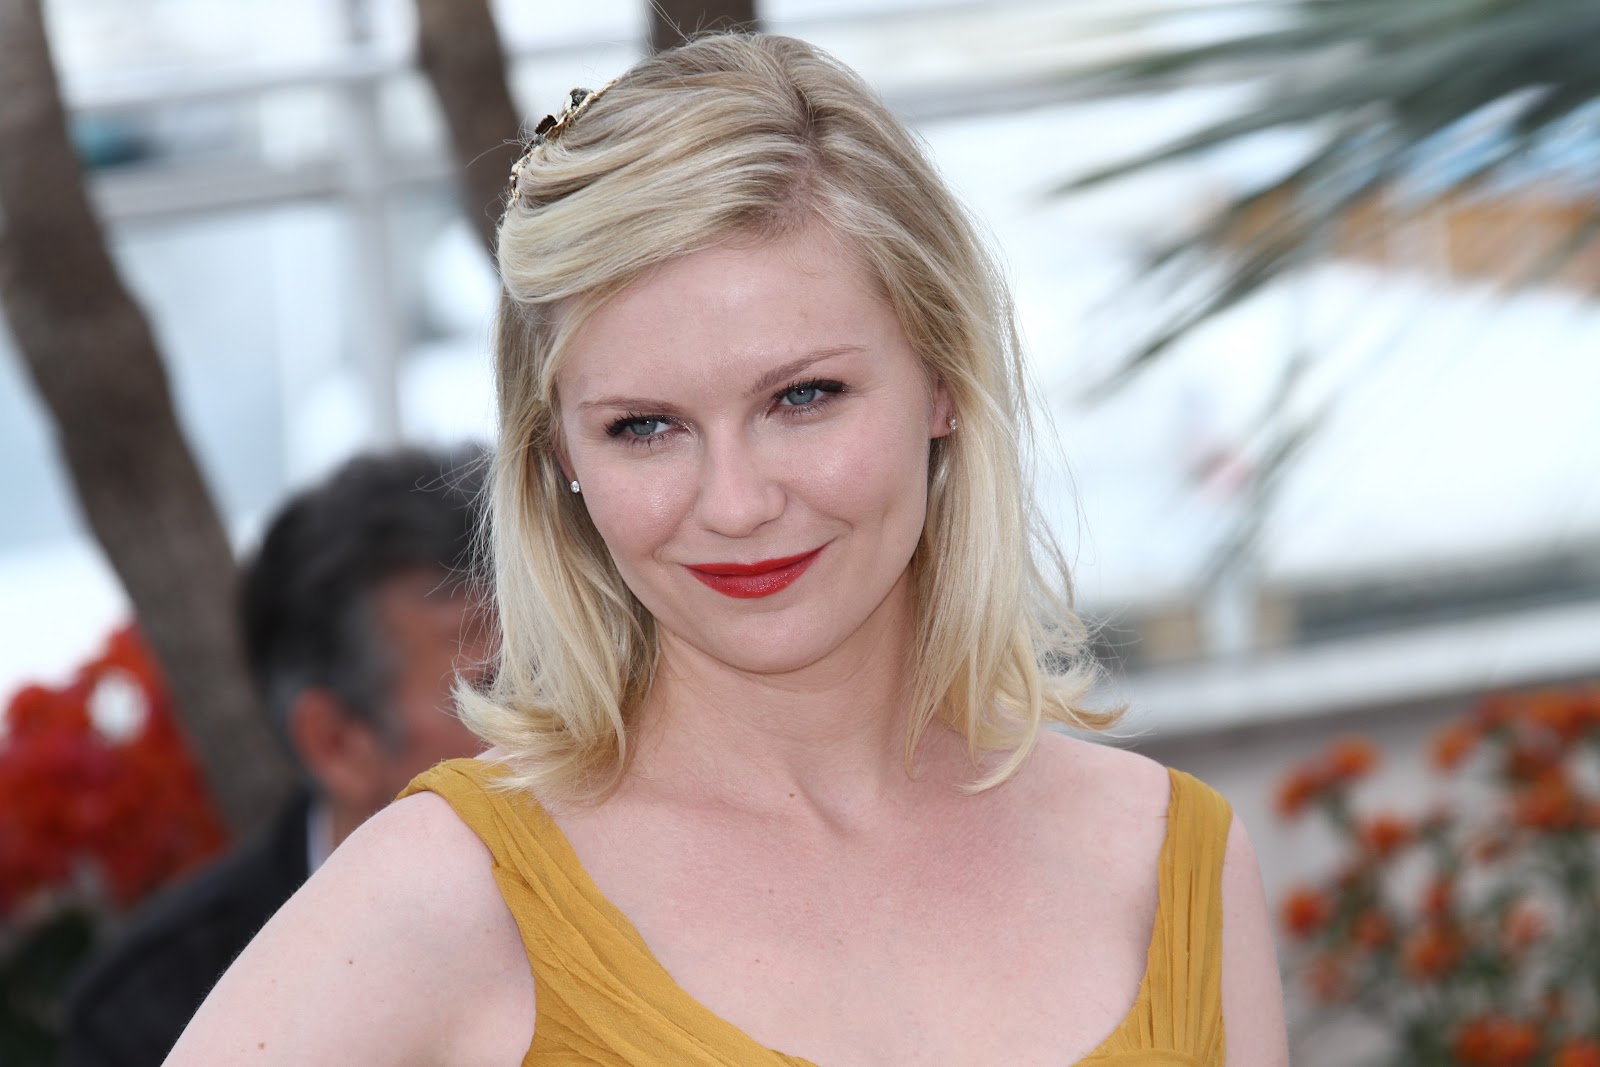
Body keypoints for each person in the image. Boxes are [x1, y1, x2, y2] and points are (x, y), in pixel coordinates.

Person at [167, 34, 1289, 1066]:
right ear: (558, 451)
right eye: (644, 427)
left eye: (804, 396)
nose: (738, 502)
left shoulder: (1165, 855)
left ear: (944, 380)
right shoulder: (444, 895)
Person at [62, 446, 491, 1067]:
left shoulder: (642, 898)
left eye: (564, 674)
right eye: (494, 690)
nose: (554, 720)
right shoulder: (155, 1011)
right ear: (336, 742)